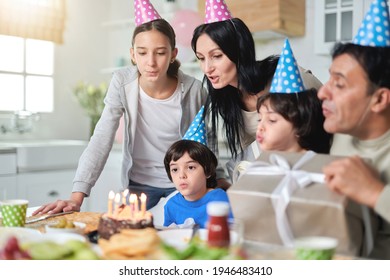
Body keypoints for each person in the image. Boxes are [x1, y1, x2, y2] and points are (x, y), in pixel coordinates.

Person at [33, 0, 222, 215]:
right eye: (142, 53)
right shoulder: (122, 82)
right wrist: (77, 197)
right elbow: (102, 136)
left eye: (160, 53)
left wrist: (216, 182)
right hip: (138, 187)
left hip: (184, 186)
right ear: (133, 55)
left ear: (173, 55)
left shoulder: (193, 89)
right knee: (127, 237)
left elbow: (208, 140)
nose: (150, 62)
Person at [191, 0, 323, 161]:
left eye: (217, 56)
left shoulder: (287, 77)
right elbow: (249, 157)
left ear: (239, 51)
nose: (207, 68)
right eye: (201, 58)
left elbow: (332, 124)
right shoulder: (227, 99)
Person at [318, 0, 390, 259]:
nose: (322, 92)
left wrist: (375, 192)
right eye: (329, 79)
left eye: (339, 83)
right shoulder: (344, 134)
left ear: (380, 100)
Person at [256, 39, 332, 154]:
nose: (260, 128)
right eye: (260, 119)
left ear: (301, 127)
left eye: (272, 120)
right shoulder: (265, 164)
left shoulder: (317, 167)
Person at [163, 139, 233, 229]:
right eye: (175, 169)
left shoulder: (221, 199)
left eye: (190, 167)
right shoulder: (171, 206)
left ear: (207, 171)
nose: (181, 175)